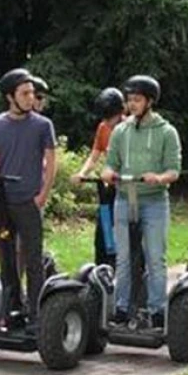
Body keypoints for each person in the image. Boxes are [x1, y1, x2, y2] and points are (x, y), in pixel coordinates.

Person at [0, 69, 56, 326]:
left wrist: (43, 195)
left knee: (32, 258)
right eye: (25, 93)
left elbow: (51, 163)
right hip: (3, 201)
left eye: (32, 93)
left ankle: (37, 313)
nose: (31, 98)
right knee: (6, 255)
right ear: (10, 97)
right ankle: (11, 305)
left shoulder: (42, 125)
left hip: (28, 200)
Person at [103, 75, 182, 328]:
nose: (132, 104)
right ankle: (122, 308)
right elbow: (110, 164)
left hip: (154, 201)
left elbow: (174, 170)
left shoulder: (167, 132)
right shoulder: (120, 131)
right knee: (123, 258)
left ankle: (158, 310)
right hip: (125, 199)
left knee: (155, 258)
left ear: (149, 101)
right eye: (129, 100)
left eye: (137, 100)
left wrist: (158, 178)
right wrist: (107, 173)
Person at [71, 87, 127, 266]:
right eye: (105, 117)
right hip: (109, 186)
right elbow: (95, 154)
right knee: (102, 233)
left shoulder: (131, 128)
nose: (108, 122)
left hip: (129, 189)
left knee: (125, 231)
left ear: (121, 112)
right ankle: (103, 266)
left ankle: (127, 268)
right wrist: (82, 173)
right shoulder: (103, 128)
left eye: (111, 117)